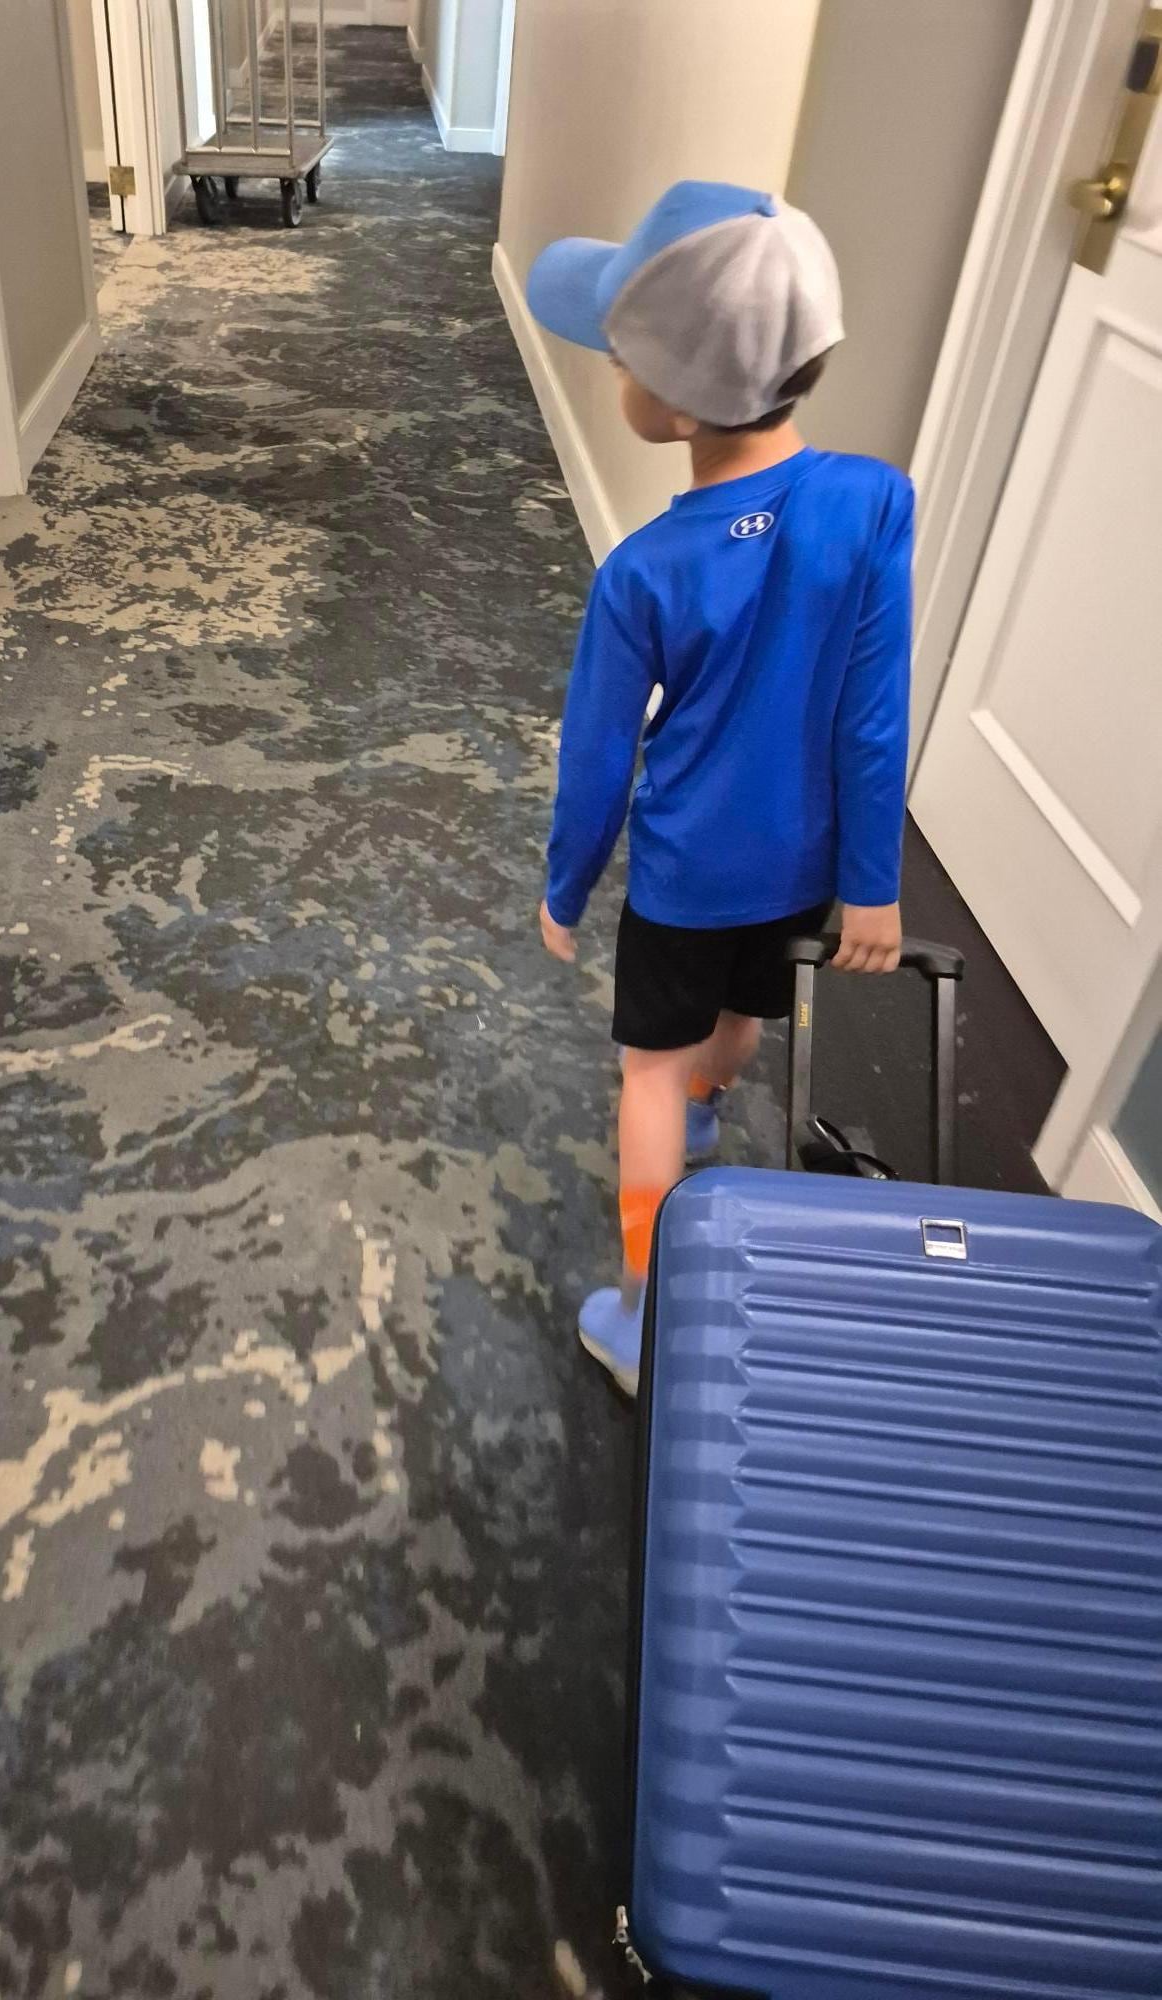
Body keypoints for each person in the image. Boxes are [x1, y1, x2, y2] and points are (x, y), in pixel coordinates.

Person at [528, 182, 913, 1396]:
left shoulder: (642, 571)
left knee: (645, 1066)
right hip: (805, 863)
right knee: (745, 1008)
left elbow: (598, 758)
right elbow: (872, 715)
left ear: (679, 406)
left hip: (687, 872)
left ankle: (642, 1313)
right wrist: (871, 884)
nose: (613, 369)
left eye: (622, 355)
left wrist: (566, 884)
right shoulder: (874, 505)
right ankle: (713, 1102)